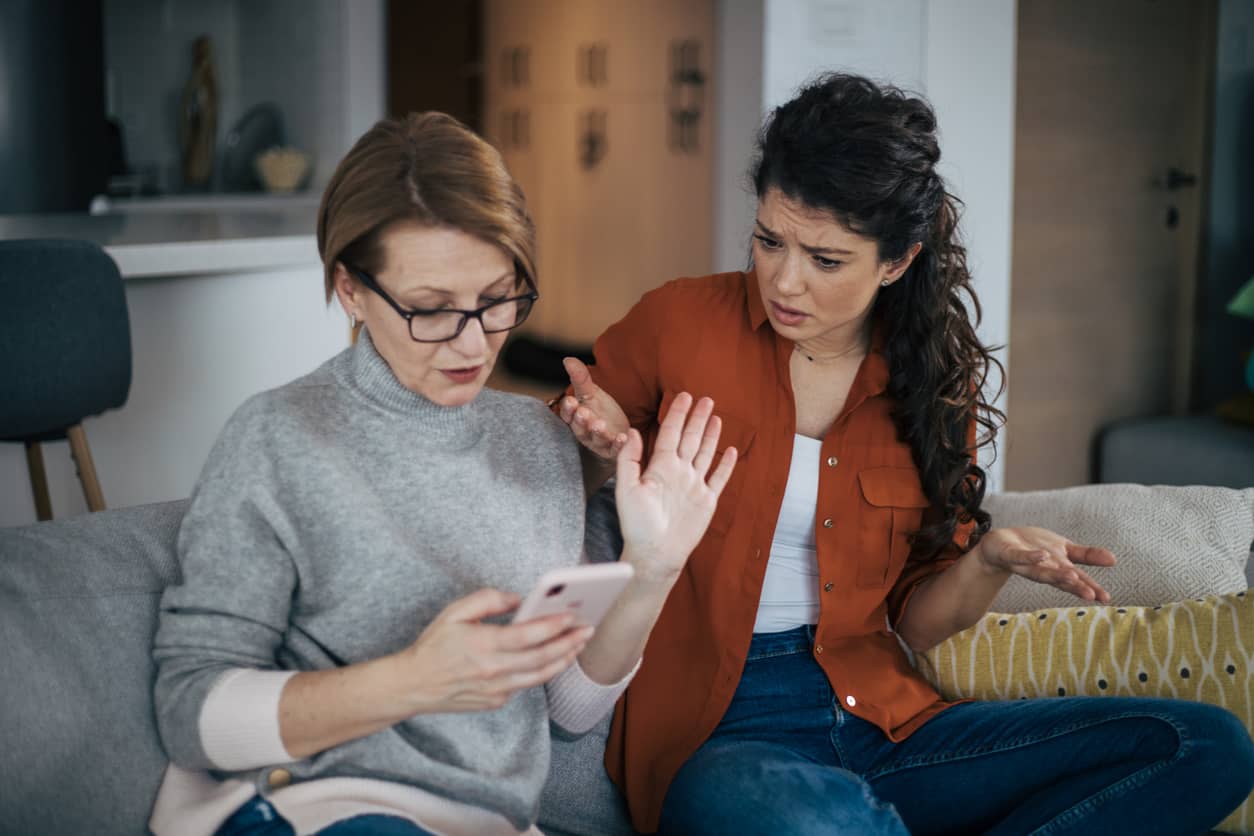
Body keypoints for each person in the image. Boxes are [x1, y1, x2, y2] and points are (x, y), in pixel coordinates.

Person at [557, 73, 1254, 835]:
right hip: (723, 739)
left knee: (1205, 745)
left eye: (826, 260)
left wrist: (987, 562)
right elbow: (593, 443)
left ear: (896, 262)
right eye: (769, 241)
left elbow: (914, 627)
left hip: (883, 719)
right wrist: (595, 432)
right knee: (774, 817)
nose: (784, 281)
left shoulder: (928, 387)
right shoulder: (680, 320)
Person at [148, 112, 736, 836]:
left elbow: (569, 712)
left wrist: (653, 566)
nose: (471, 341)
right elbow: (189, 713)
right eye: (429, 310)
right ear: (351, 291)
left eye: (497, 299)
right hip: (313, 807)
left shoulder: (538, 442)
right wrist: (414, 682)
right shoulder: (278, 438)